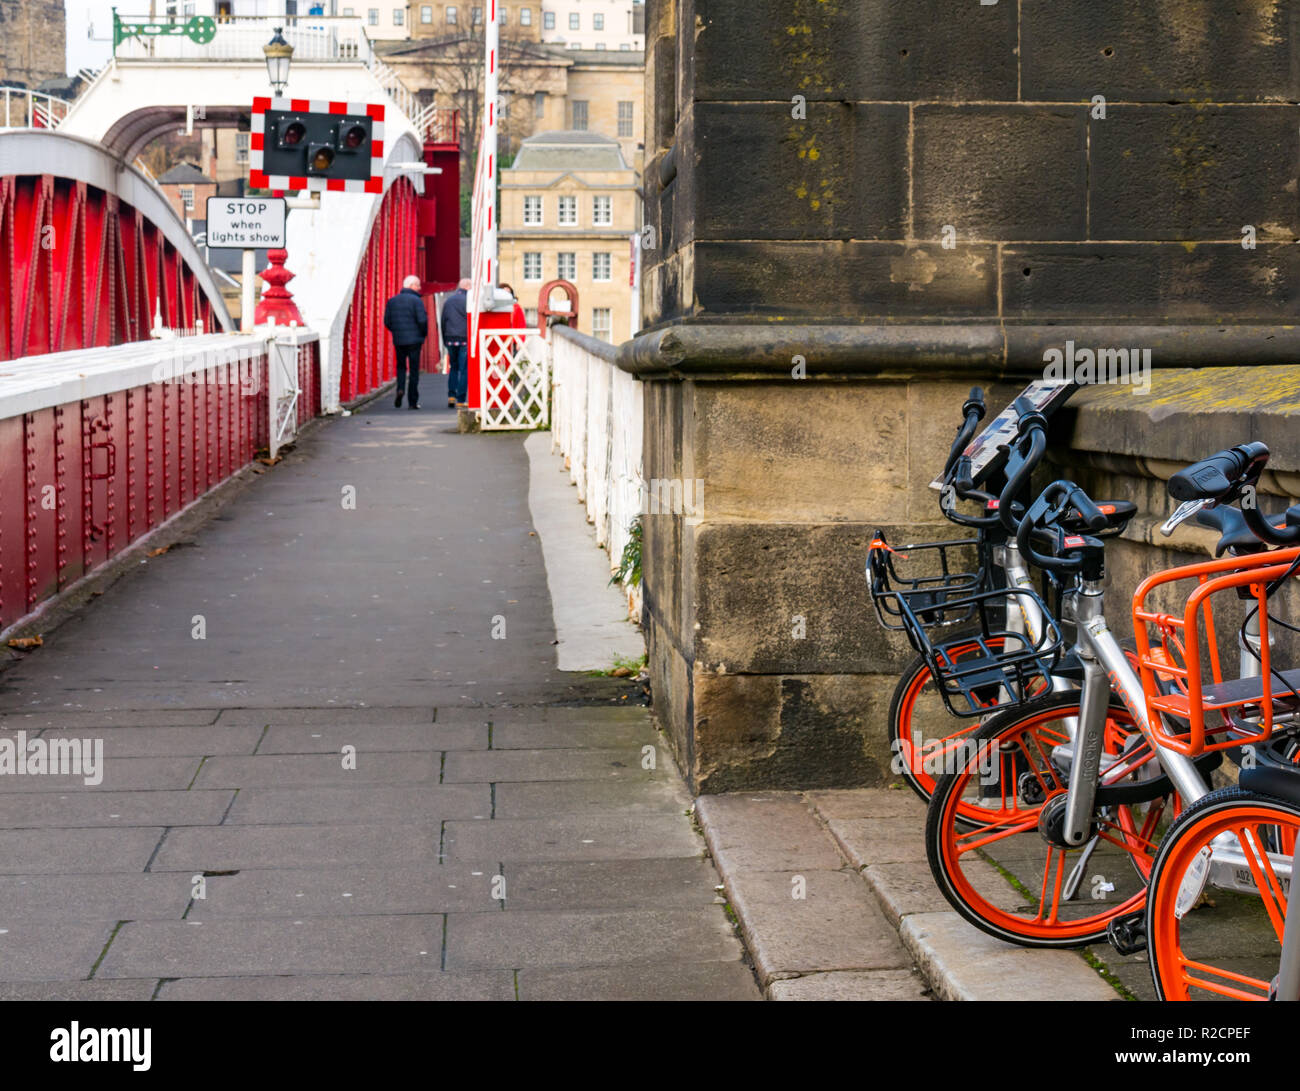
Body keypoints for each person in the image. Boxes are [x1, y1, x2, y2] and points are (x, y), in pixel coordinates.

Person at [383, 275, 427, 410]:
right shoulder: (417, 301)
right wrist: (422, 334)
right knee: (414, 371)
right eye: (418, 285)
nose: (419, 288)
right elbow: (422, 320)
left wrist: (397, 331)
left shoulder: (392, 301)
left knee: (401, 367)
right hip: (415, 340)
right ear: (412, 285)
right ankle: (412, 401)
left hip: (399, 340)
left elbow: (387, 322)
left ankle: (400, 389)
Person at [440, 278, 470, 408]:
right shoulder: (468, 301)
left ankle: (451, 395)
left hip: (450, 338)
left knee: (454, 367)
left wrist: (445, 339)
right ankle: (461, 399)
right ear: (468, 287)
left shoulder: (449, 301)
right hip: (464, 339)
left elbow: (443, 320)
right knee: (464, 370)